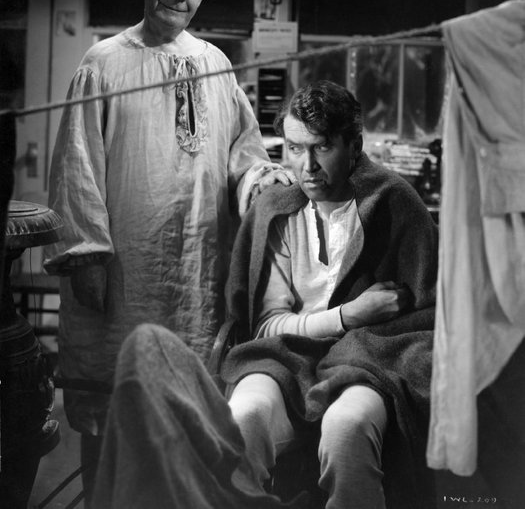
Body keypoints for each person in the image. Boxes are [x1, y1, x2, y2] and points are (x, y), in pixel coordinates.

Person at [91, 81, 438, 509]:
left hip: (370, 362)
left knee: (347, 429)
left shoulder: (394, 201)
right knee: (243, 419)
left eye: (322, 147)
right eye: (294, 148)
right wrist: (349, 315)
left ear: (355, 146)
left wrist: (368, 336)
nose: (307, 166)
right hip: (284, 358)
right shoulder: (277, 211)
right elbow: (268, 326)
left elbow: (426, 320)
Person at [43, 0, 291, 504]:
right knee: (113, 410)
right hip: (121, 276)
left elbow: (244, 151)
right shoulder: (103, 63)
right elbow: (77, 166)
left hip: (196, 275)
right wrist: (87, 255)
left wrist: (262, 180)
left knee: (191, 413)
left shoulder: (215, 64)